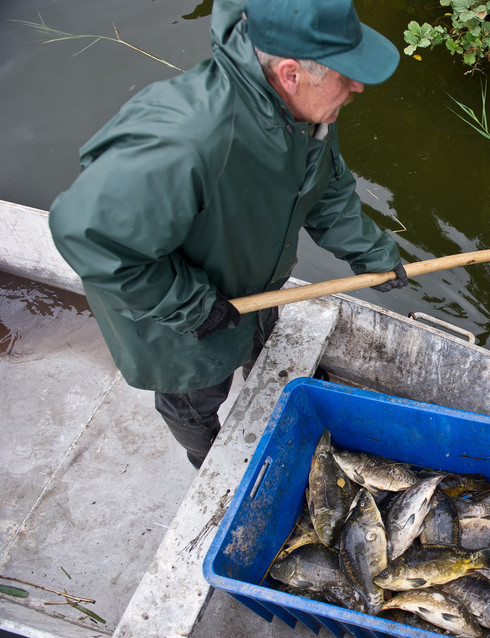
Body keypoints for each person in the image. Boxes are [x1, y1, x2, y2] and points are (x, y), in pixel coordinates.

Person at [48, 0, 407, 469]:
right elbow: (87, 236)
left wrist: (371, 252)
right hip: (181, 327)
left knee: (262, 348)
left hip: (256, 291)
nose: (357, 86)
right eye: (345, 74)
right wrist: (191, 305)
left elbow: (327, 190)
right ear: (291, 73)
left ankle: (266, 391)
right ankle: (209, 461)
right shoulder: (185, 137)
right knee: (193, 402)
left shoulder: (312, 113)